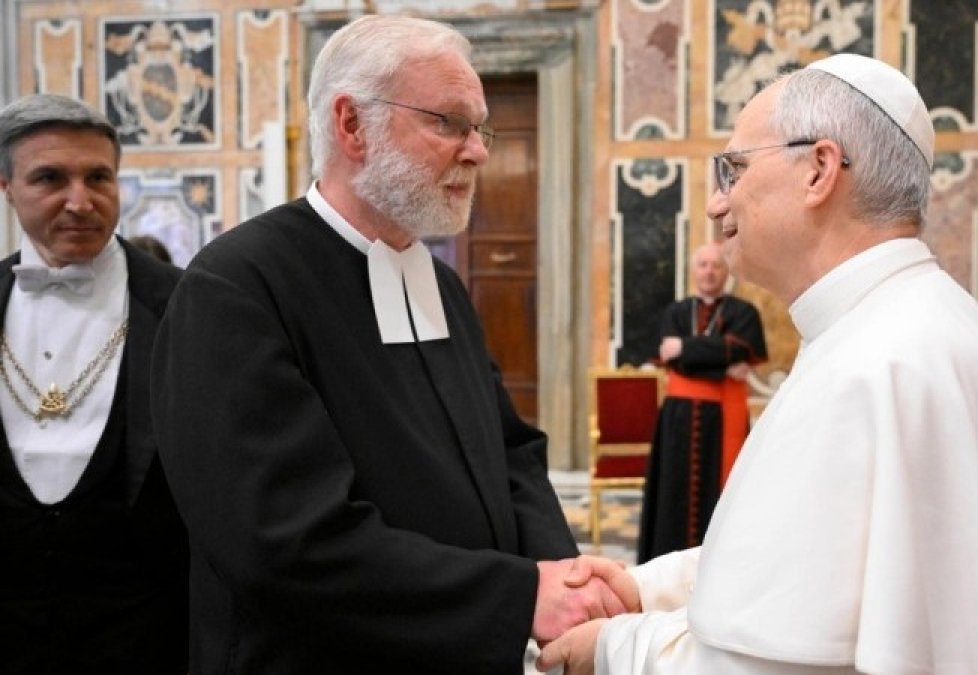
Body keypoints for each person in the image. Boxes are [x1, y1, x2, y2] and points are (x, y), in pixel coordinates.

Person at [538, 53, 978, 674]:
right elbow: (805, 565)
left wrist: (612, 648)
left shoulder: (880, 359)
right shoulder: (906, 325)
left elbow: (774, 665)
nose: (717, 204)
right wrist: (647, 589)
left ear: (819, 171)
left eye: (734, 170)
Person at [150, 15, 631, 675]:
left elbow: (510, 453)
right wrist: (520, 596)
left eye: (480, 128)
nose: (478, 151)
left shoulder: (441, 284)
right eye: (449, 123)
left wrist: (561, 574)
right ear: (352, 125)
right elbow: (285, 540)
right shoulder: (238, 285)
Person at [0, 94, 187, 673]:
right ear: (6, 187)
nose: (80, 202)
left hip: (148, 634)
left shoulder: (186, 303)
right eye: (50, 178)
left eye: (99, 178)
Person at [637, 241, 766, 563]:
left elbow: (742, 349)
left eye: (716, 265)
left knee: (724, 495)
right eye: (703, 265)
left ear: (727, 271)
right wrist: (721, 362)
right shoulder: (676, 312)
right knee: (672, 495)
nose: (709, 272)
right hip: (677, 421)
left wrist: (685, 348)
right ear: (693, 270)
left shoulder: (743, 313)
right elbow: (671, 358)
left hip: (723, 418)